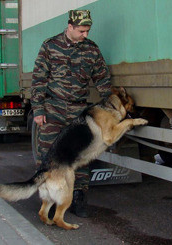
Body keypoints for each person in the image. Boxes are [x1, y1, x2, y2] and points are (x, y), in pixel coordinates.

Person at [30, 10, 112, 217]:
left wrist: (110, 107)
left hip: (78, 111)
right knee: (48, 156)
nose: (85, 34)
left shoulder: (92, 50)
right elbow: (39, 79)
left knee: (80, 154)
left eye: (87, 31)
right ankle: (47, 201)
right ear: (70, 27)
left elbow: (102, 80)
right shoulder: (50, 46)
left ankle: (79, 197)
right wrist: (38, 110)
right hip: (52, 109)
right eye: (82, 30)